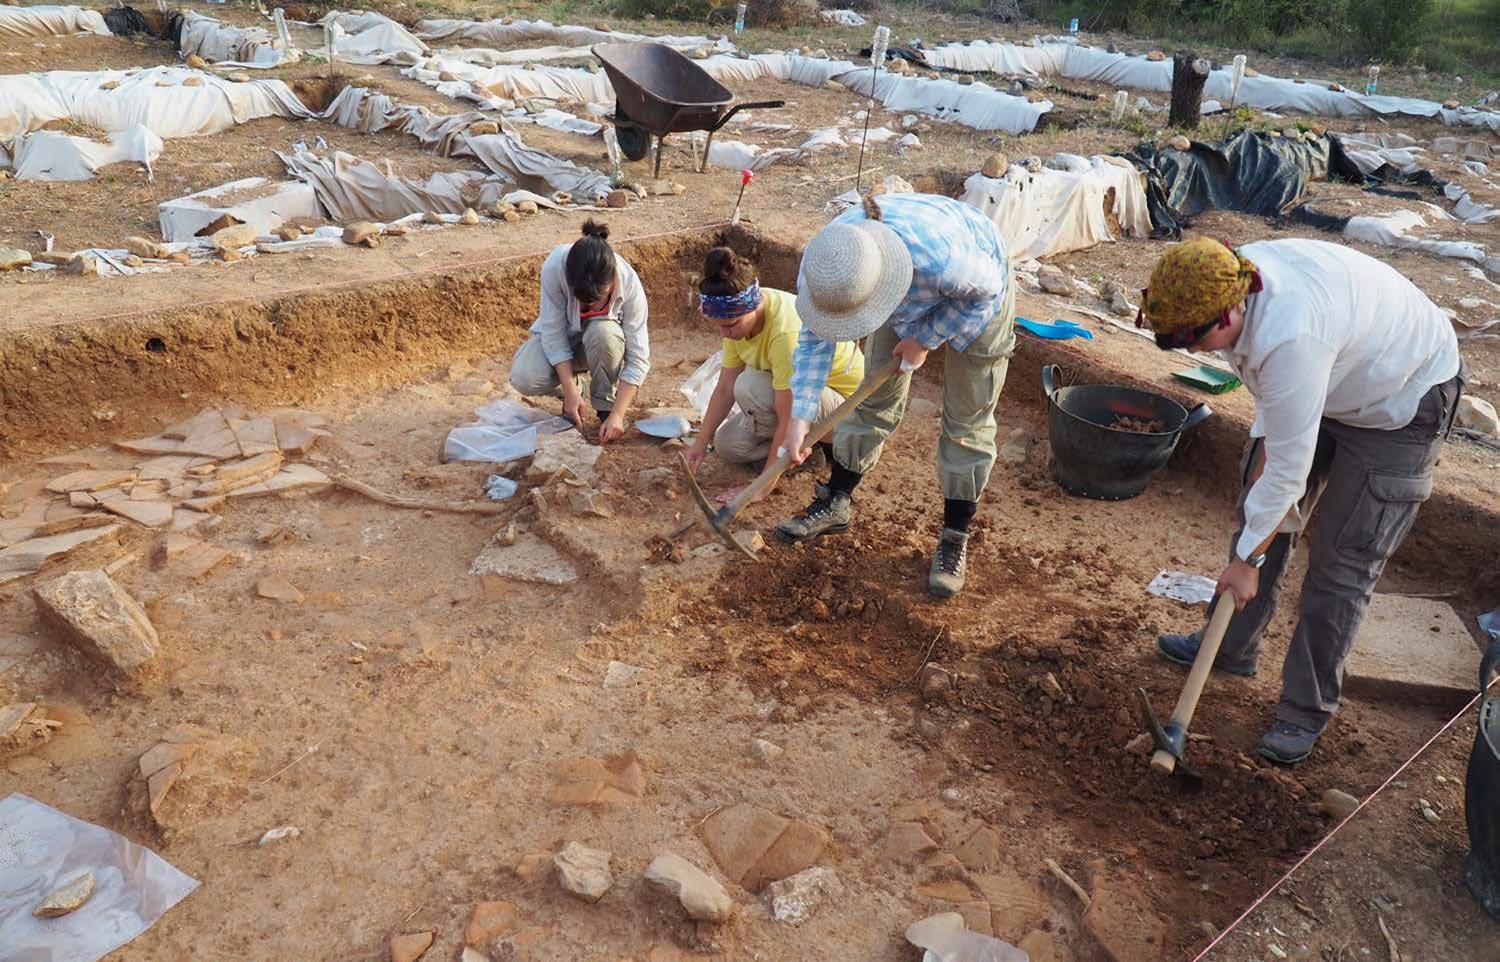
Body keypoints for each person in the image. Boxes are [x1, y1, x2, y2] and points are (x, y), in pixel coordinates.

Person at [1138, 236, 1464, 765]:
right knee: (1257, 508)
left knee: (1342, 565)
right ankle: (1231, 647)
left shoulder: (1291, 336)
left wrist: (1246, 564)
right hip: (1335, 373)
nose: (1194, 353)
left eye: (1193, 341)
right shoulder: (1230, 280)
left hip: (1402, 397)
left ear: (1226, 313)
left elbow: (1289, 466)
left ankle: (1304, 710)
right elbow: (1280, 439)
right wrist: (1253, 542)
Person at [776, 193, 1016, 599]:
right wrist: (800, 421)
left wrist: (924, 338)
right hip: (899, 287)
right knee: (873, 397)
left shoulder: (943, 262)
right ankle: (837, 500)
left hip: (976, 299)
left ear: (879, 289)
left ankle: (955, 535)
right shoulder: (827, 265)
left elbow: (986, 292)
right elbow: (815, 342)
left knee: (965, 420)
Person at [683, 247, 864, 477]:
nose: (724, 334)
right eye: (718, 325)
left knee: (751, 386)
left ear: (754, 308)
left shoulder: (784, 335)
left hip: (848, 414)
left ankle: (799, 451)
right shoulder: (736, 310)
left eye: (730, 325)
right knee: (727, 444)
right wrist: (701, 440)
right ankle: (810, 452)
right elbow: (725, 387)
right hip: (802, 404)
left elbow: (789, 415)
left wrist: (763, 486)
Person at [509, 220, 648, 443]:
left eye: (597, 300)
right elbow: (553, 335)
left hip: (601, 346)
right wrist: (571, 393)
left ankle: (605, 407)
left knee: (604, 333)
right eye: (583, 301)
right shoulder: (555, 267)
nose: (590, 308)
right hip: (569, 343)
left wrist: (618, 415)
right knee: (524, 376)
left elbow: (639, 359)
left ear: (612, 280)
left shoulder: (630, 284)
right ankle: (575, 389)